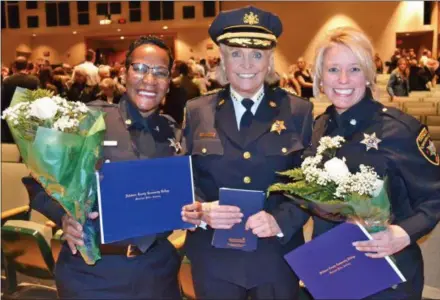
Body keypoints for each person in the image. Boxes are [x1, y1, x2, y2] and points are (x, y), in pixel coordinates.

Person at [31, 36, 187, 299]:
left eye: (160, 72)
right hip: (93, 275)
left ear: (168, 82)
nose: (149, 80)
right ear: (124, 73)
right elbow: (38, 182)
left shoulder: (173, 133)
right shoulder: (87, 120)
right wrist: (64, 217)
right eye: (139, 68)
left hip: (157, 274)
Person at [181, 6, 313, 300]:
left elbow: (307, 181)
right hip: (214, 255)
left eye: (257, 54)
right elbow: (185, 176)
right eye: (236, 53)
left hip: (275, 253)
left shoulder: (298, 111)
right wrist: (203, 211)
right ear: (223, 61)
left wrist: (282, 219)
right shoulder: (197, 110)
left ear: (269, 61)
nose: (247, 64)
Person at [310, 27, 440, 299]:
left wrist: (403, 233)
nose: (343, 79)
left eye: (354, 69)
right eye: (333, 69)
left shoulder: (400, 129)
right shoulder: (316, 129)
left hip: (388, 275)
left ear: (369, 74)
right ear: (320, 76)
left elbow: (434, 197)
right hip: (332, 270)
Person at [1, 56, 40, 143]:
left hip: (10, 119)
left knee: (11, 146)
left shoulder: (8, 81)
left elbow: (2, 101)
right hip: (28, 118)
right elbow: (38, 100)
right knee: (27, 145)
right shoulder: (34, 80)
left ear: (14, 67)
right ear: (26, 66)